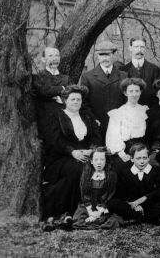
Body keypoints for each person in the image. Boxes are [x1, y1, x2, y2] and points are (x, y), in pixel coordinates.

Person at [42, 85, 102, 231]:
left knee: (89, 167)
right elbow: (53, 141)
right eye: (72, 99)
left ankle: (74, 213)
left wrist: (91, 150)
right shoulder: (56, 116)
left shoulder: (87, 116)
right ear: (65, 101)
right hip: (61, 157)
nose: (76, 102)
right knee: (79, 169)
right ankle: (65, 213)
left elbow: (96, 136)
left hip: (87, 154)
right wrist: (73, 152)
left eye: (79, 99)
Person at [107, 143, 160, 224]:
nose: (142, 161)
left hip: (149, 204)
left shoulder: (156, 171)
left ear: (149, 158)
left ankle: (138, 219)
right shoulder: (125, 172)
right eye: (138, 158)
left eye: (144, 158)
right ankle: (146, 218)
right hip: (132, 205)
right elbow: (121, 194)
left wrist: (143, 199)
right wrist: (135, 205)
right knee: (113, 203)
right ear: (132, 159)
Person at [80, 40, 127, 136]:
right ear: (97, 56)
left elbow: (127, 101)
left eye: (108, 55)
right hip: (97, 125)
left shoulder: (124, 76)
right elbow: (84, 102)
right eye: (101, 55)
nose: (104, 58)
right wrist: (93, 119)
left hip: (119, 124)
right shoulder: (88, 77)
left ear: (114, 55)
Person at [105, 78, 149, 172]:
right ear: (125, 93)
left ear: (140, 92)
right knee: (125, 168)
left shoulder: (144, 110)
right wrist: (122, 154)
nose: (134, 94)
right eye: (131, 91)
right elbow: (113, 135)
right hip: (126, 149)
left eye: (137, 91)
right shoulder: (118, 112)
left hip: (143, 146)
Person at [72, 147, 119, 230]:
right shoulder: (87, 174)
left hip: (104, 203)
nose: (99, 163)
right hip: (89, 203)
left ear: (106, 161)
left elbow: (109, 194)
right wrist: (91, 211)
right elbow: (84, 193)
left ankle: (98, 219)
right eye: (96, 160)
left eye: (102, 160)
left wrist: (99, 210)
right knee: (80, 218)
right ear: (91, 161)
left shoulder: (110, 175)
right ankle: (92, 219)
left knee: (110, 219)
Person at [32, 47, 72, 139]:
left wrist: (53, 93)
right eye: (50, 55)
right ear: (43, 59)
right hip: (47, 122)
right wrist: (61, 89)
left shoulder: (66, 78)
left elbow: (72, 95)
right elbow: (44, 91)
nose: (55, 58)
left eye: (57, 55)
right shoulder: (38, 77)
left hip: (65, 120)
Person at [121, 38, 160, 107]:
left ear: (145, 49)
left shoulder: (154, 69)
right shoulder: (123, 70)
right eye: (136, 47)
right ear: (130, 48)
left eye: (142, 47)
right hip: (130, 112)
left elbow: (158, 92)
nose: (139, 50)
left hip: (150, 110)